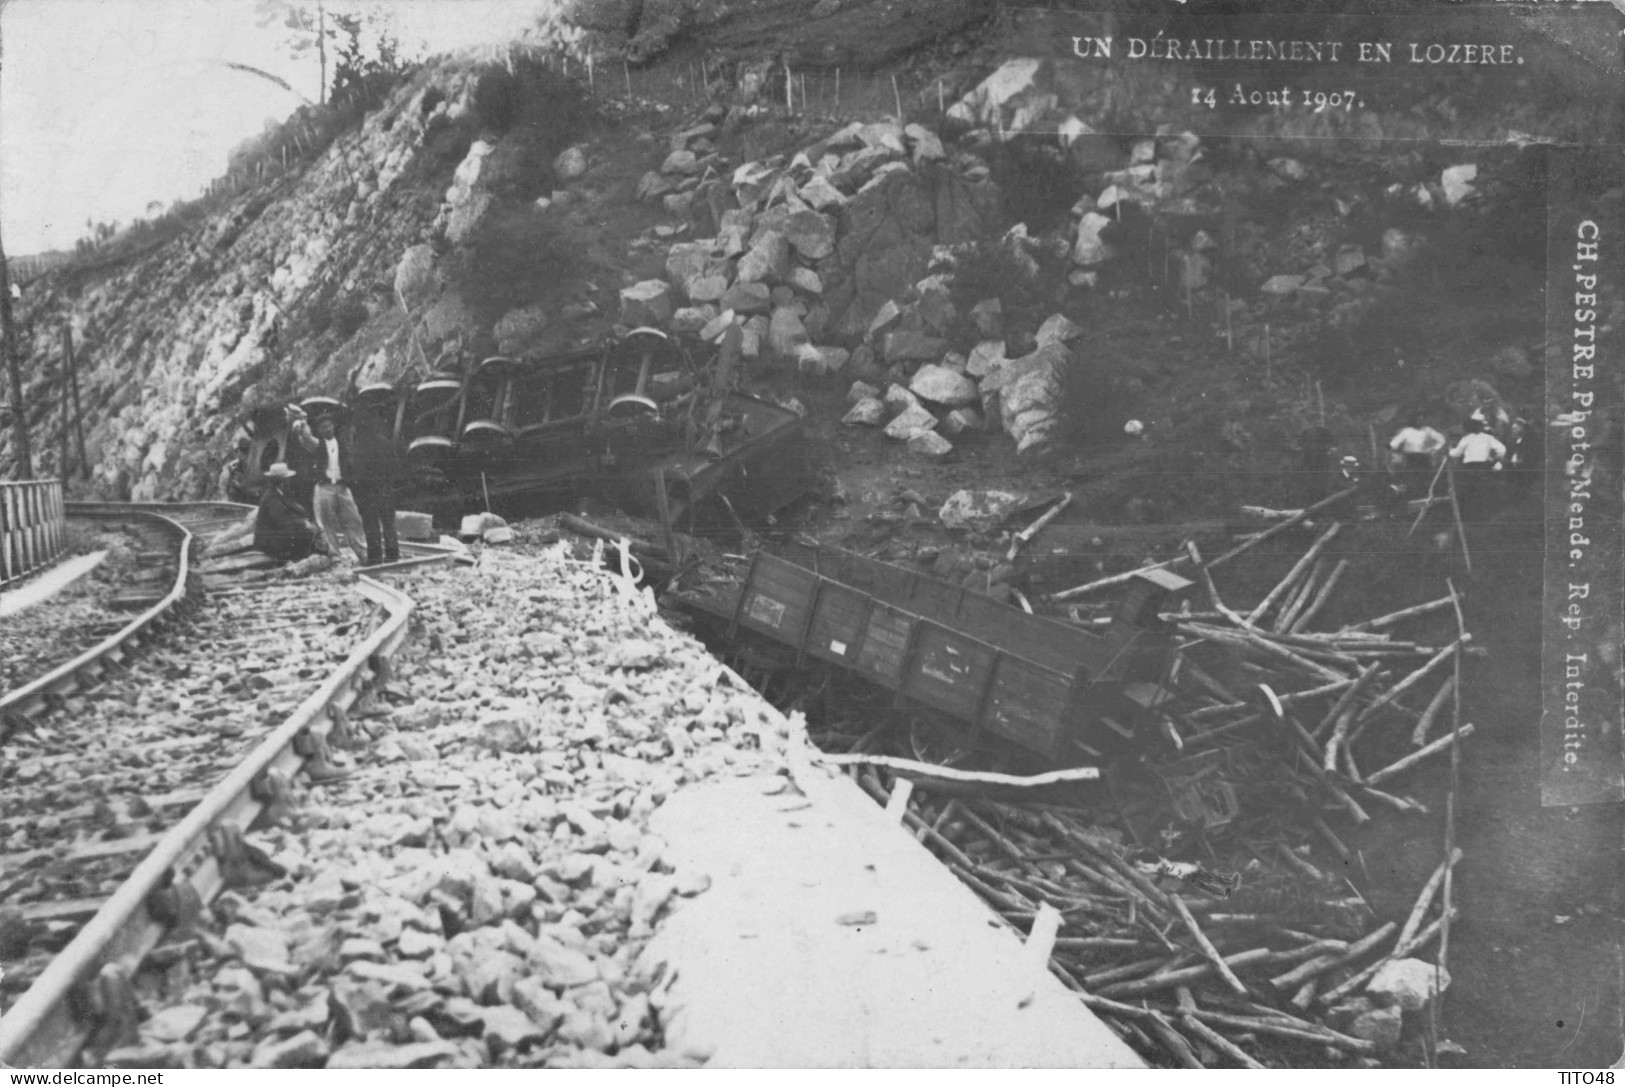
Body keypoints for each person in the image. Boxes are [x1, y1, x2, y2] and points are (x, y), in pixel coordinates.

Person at [287, 403, 368, 564]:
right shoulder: (317, 445)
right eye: (323, 427)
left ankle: (363, 553)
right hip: (324, 488)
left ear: (333, 426)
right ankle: (334, 555)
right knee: (326, 523)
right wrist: (302, 420)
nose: (327, 429)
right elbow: (307, 437)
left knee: (353, 520)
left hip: (342, 487)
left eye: (329, 425)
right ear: (320, 430)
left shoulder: (341, 444)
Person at [345, 392, 404, 566]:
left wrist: (356, 488)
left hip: (367, 491)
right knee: (388, 524)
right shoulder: (385, 442)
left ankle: (375, 557)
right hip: (385, 488)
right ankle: (393, 555)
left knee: (371, 526)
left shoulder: (358, 447)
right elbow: (395, 468)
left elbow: (356, 472)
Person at [253, 463, 323, 562]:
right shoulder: (271, 497)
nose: (289, 481)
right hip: (268, 541)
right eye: (286, 479)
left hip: (276, 535)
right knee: (304, 534)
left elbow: (294, 507)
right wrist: (303, 523)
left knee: (308, 531)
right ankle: (300, 557)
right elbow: (281, 521)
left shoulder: (281, 493)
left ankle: (311, 552)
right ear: (280, 480)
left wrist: (304, 517)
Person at [1448, 412, 1506, 522]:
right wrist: (1494, 460)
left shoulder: (1467, 438)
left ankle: (1470, 516)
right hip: (1483, 467)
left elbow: (1456, 453)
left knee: (1469, 490)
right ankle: (1482, 516)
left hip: (1469, 468)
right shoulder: (1488, 437)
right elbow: (1502, 449)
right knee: (1482, 490)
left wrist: (1449, 450)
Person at [1387, 413, 1445, 495]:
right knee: (1411, 478)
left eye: (1421, 419)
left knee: (1427, 477)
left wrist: (1434, 449)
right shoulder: (1406, 431)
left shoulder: (1428, 430)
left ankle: (1426, 495)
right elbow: (1394, 443)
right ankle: (1413, 495)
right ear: (1413, 420)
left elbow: (1441, 440)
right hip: (1411, 458)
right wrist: (1394, 450)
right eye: (1417, 419)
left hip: (1425, 458)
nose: (1419, 421)